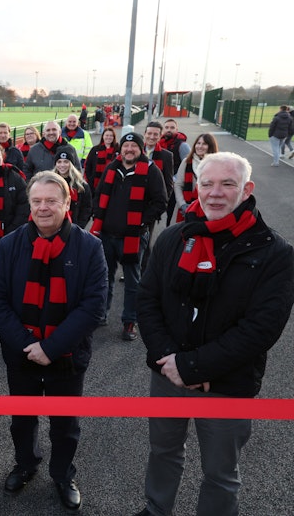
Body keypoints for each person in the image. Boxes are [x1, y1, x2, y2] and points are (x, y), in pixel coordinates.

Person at [134, 152, 294, 516]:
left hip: (226, 383)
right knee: (162, 453)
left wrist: (194, 367)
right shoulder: (174, 236)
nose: (215, 193)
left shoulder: (276, 252)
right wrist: (171, 361)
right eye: (207, 184)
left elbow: (261, 329)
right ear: (196, 187)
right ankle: (156, 509)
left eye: (227, 184)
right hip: (167, 372)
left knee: (221, 473)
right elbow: (148, 301)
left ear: (246, 189)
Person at [0, 171, 107, 512]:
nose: (43, 208)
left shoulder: (89, 247)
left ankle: (62, 474)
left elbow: (94, 306)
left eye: (51, 201)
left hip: (67, 356)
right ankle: (25, 465)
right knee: (22, 419)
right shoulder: (10, 244)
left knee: (65, 425)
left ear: (67, 203)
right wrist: (27, 344)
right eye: (36, 201)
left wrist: (50, 348)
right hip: (20, 353)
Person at [90, 132, 167, 338]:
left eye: (134, 146)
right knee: (104, 277)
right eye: (126, 146)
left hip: (133, 236)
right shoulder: (111, 168)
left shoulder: (151, 171)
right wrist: (98, 216)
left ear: (141, 149)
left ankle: (130, 321)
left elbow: (160, 202)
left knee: (133, 281)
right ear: (121, 149)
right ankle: (101, 314)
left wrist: (141, 221)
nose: (129, 149)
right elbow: (98, 196)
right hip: (107, 234)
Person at [173, 133, 218, 222]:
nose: (200, 146)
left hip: (209, 209)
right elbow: (178, 184)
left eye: (204, 144)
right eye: (198, 143)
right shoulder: (186, 162)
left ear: (211, 146)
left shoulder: (217, 164)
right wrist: (182, 205)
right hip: (187, 208)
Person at [158, 119, 190, 225]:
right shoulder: (160, 143)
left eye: (172, 128)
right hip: (160, 182)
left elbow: (188, 165)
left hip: (173, 183)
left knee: (171, 212)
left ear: (177, 130)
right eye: (166, 127)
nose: (169, 130)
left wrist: (174, 180)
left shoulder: (182, 146)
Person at [54, 151, 92, 228]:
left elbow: (87, 207)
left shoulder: (81, 185)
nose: (62, 165)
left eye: (66, 162)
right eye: (59, 162)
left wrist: (79, 226)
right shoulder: (50, 182)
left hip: (73, 226)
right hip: (53, 226)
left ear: (71, 164)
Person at [84, 126, 118, 191]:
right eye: (107, 135)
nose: (109, 137)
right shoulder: (95, 149)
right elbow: (88, 165)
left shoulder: (118, 150)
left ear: (114, 137)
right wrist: (89, 179)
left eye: (111, 136)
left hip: (113, 184)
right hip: (95, 184)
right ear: (103, 136)